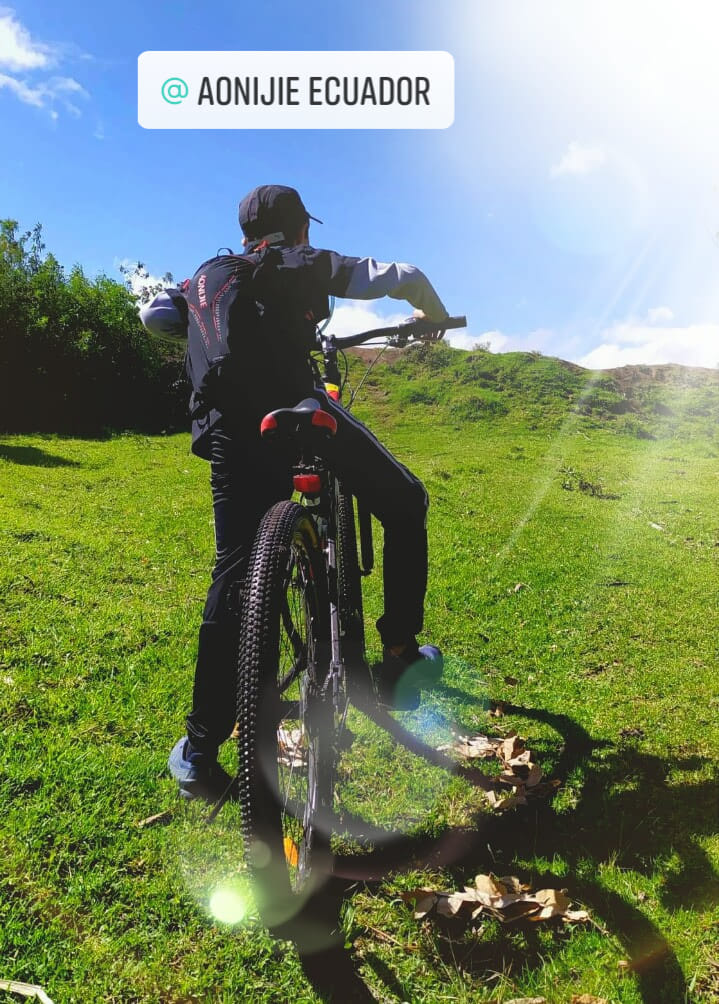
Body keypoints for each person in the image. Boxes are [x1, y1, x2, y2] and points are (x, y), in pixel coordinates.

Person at [141, 184, 451, 802]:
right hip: (303, 411)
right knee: (404, 501)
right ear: (299, 228)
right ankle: (397, 657)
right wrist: (431, 315)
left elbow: (156, 316)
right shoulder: (305, 262)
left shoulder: (212, 275)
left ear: (248, 231)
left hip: (232, 432)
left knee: (234, 573)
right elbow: (404, 275)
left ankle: (200, 749)